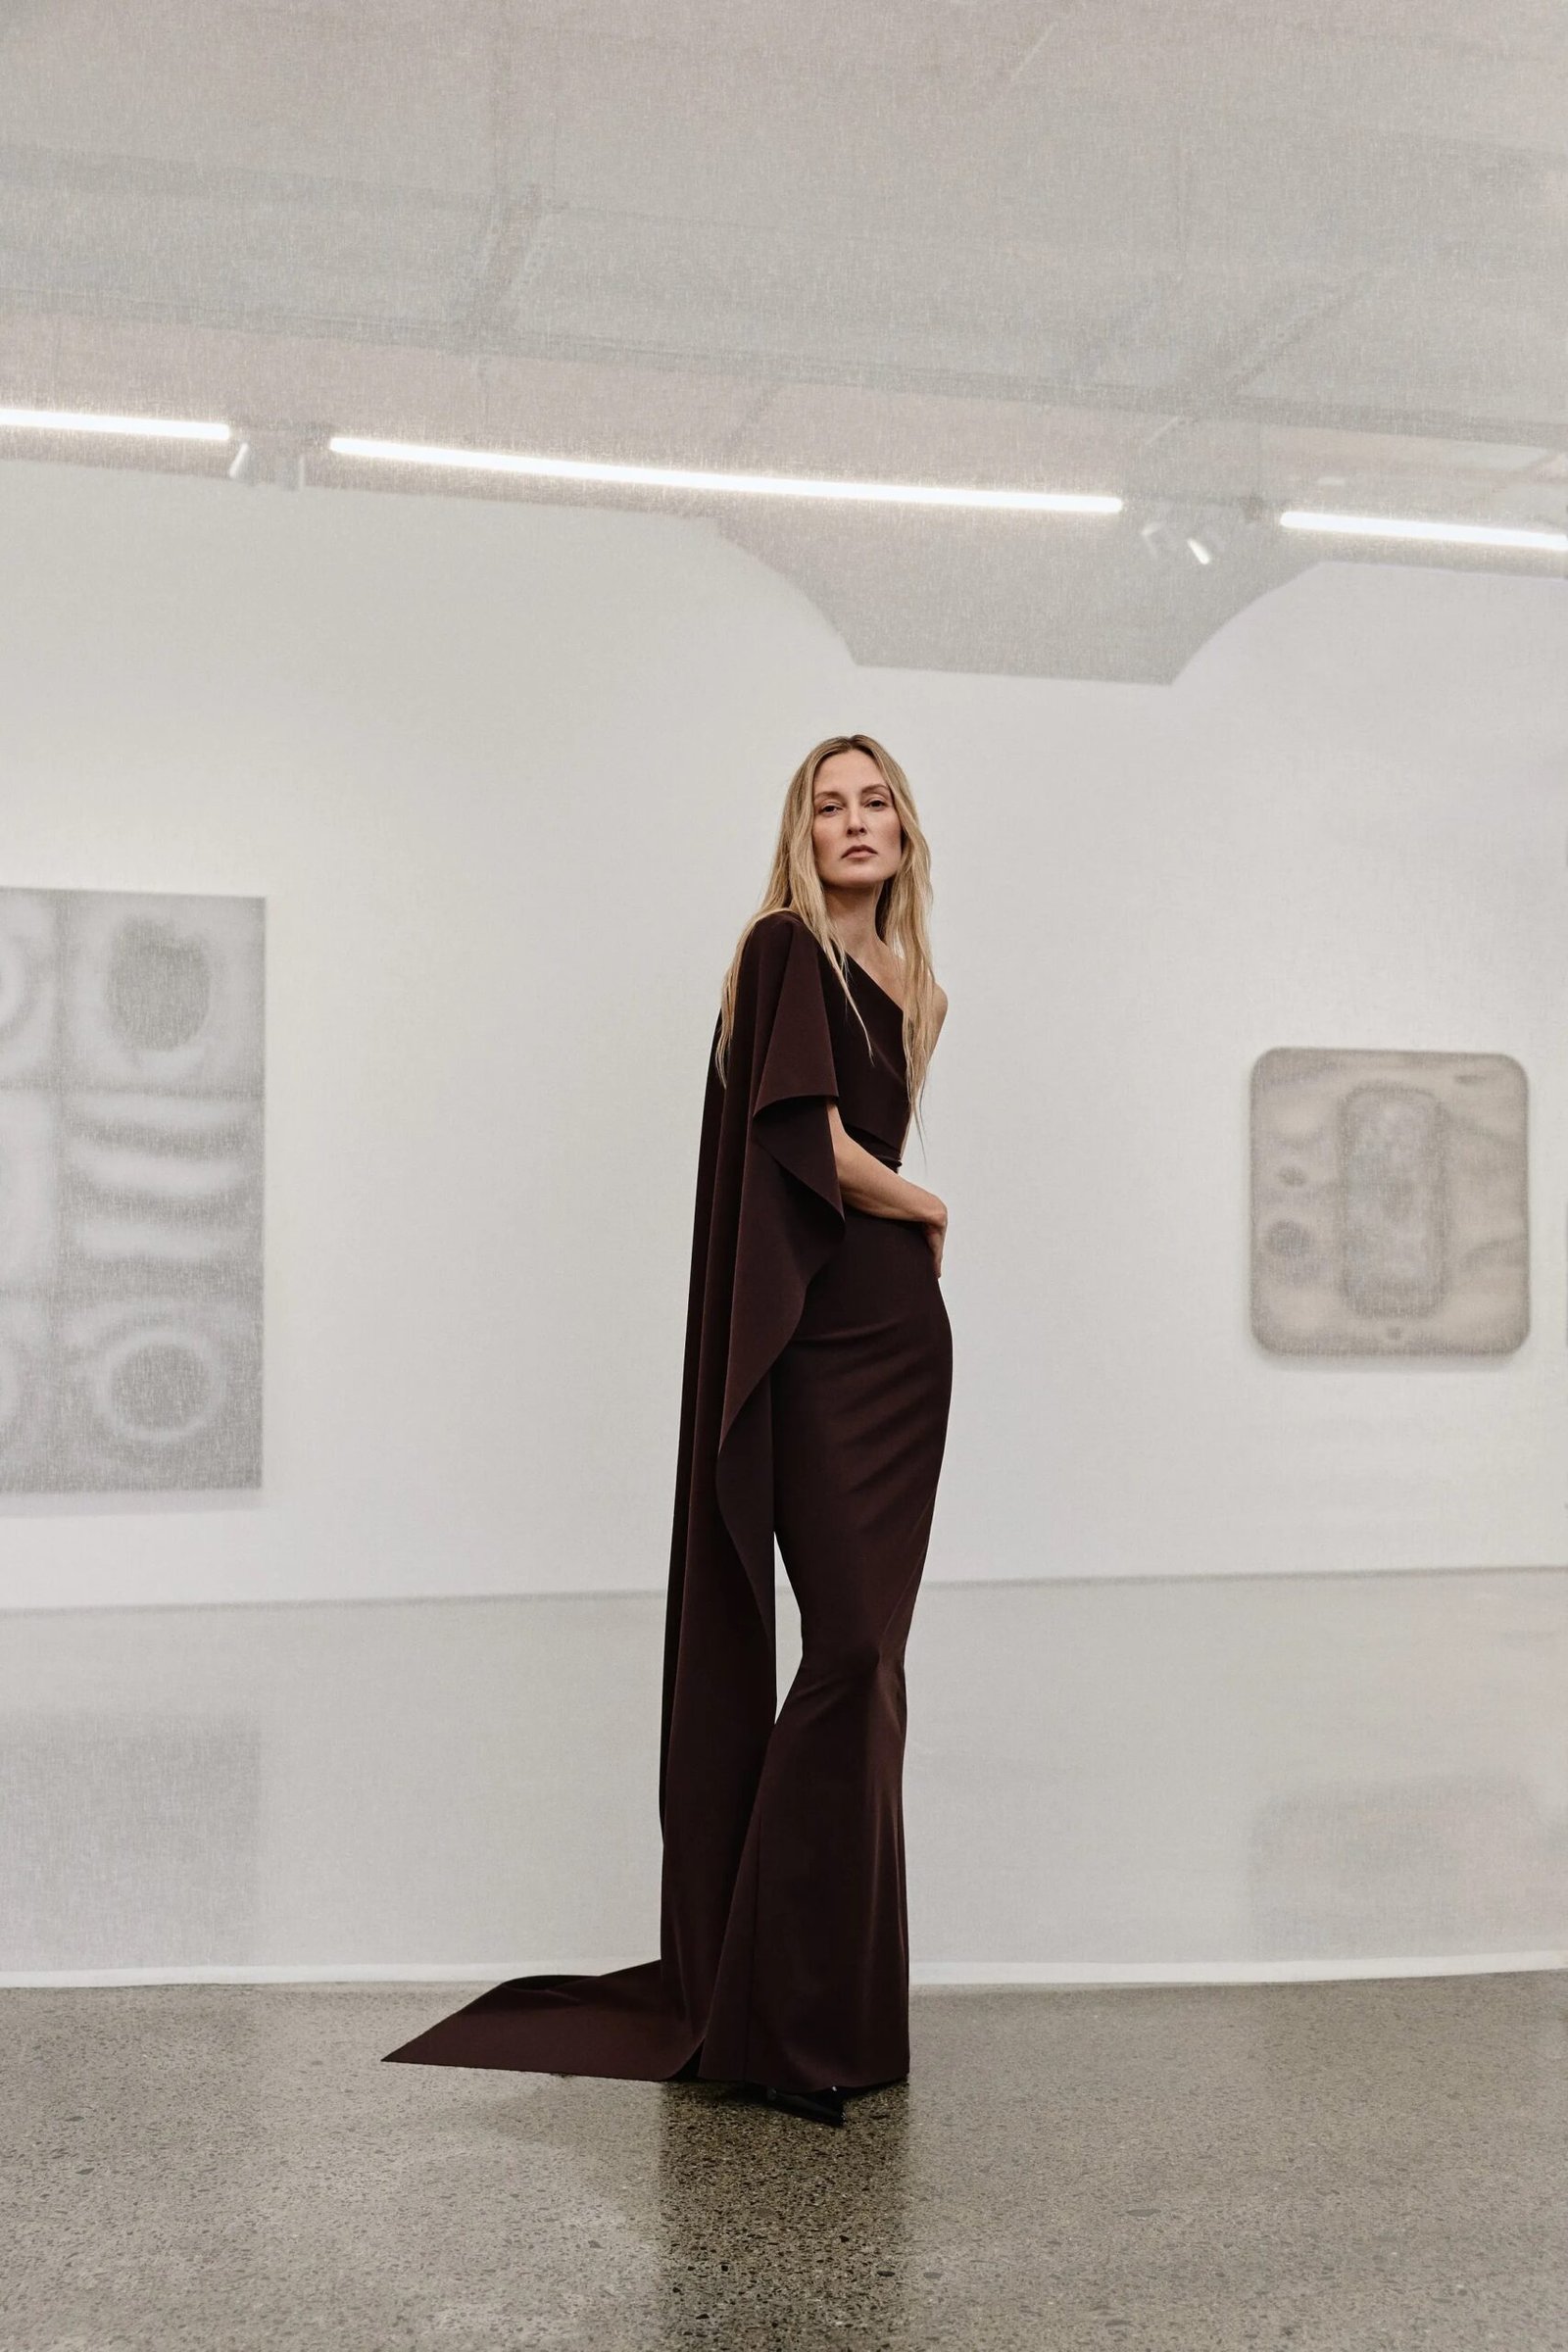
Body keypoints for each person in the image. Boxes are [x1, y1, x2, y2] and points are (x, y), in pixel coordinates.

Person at [384, 733, 953, 2128]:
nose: (855, 822)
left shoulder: (921, 987)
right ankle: (774, 2012)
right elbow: (813, 1150)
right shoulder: (781, 951)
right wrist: (929, 1206)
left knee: (875, 1672)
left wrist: (908, 1222)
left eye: (875, 801)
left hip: (903, 1346)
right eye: (829, 805)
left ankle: (839, 2015)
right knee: (848, 1653)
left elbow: (862, 1139)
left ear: (906, 827)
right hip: (816, 1342)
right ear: (801, 833)